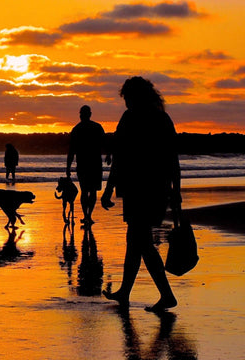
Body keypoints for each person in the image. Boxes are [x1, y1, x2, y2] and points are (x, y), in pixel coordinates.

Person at [100, 76, 181, 312]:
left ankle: (167, 295)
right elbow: (172, 159)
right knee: (134, 241)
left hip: (141, 189)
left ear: (135, 96)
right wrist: (176, 190)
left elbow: (120, 157)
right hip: (154, 188)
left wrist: (108, 190)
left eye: (127, 97)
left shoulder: (133, 119)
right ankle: (125, 291)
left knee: (141, 241)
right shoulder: (161, 118)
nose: (126, 102)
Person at [66, 105, 105, 225]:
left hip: (86, 164)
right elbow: (106, 143)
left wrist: (68, 167)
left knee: (87, 191)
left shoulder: (77, 129)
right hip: (93, 164)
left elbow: (71, 150)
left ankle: (87, 215)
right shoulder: (96, 127)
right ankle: (88, 216)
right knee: (91, 191)